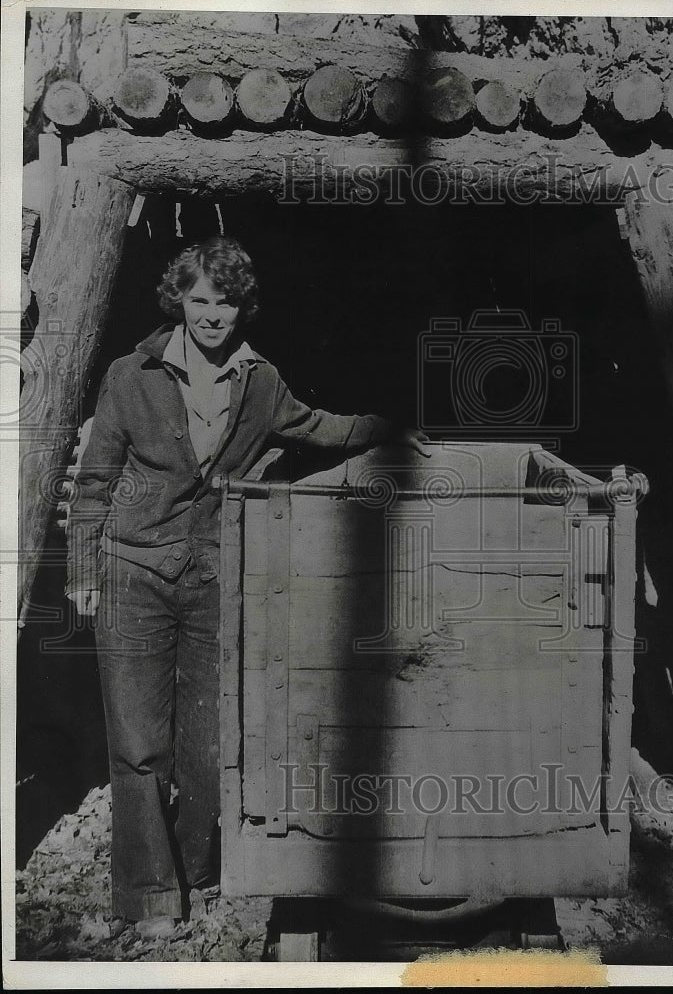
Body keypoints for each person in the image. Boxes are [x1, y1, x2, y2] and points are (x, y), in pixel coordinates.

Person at [66, 236, 428, 939]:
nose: (210, 316)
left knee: (207, 738)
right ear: (179, 299)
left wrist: (391, 428)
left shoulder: (259, 380)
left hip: (211, 574)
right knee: (140, 743)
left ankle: (196, 872)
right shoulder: (130, 374)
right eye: (198, 300)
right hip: (133, 569)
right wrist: (83, 570)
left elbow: (317, 426)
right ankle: (147, 895)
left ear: (241, 308)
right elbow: (94, 482)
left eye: (224, 303)